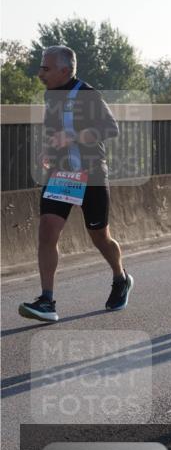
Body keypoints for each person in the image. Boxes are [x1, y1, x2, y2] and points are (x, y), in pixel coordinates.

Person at [19, 45, 133, 322]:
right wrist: (50, 149)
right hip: (62, 174)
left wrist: (74, 138)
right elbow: (54, 129)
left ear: (65, 70)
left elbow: (110, 128)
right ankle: (47, 300)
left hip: (92, 175)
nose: (40, 73)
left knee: (100, 237)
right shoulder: (50, 95)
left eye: (45, 68)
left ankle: (121, 278)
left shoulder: (87, 94)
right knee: (47, 230)